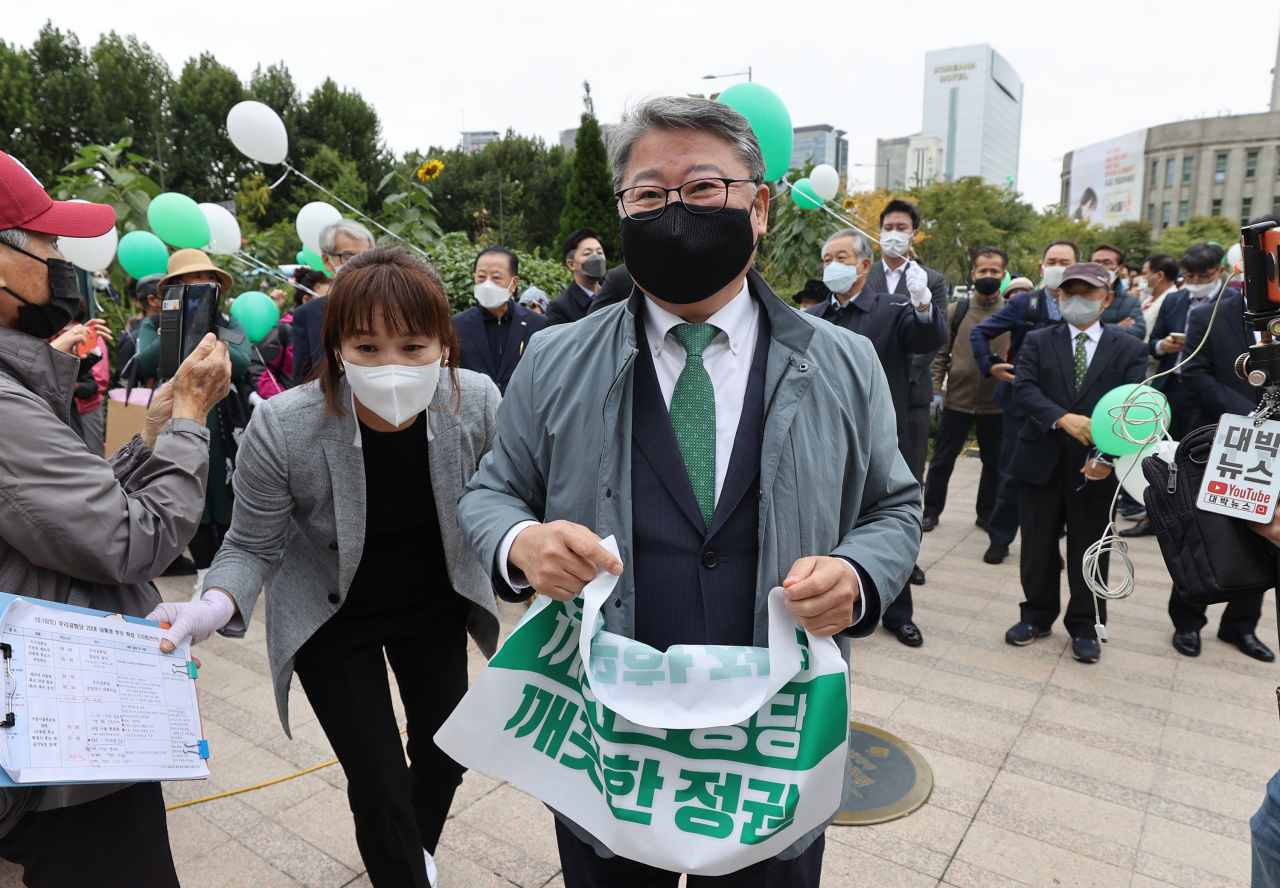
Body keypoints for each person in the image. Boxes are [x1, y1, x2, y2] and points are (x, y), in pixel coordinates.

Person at [457, 95, 921, 887]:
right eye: (648, 195)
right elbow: (489, 494)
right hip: (608, 740)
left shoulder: (843, 362)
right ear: (623, 211)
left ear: (760, 205)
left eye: (704, 189)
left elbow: (895, 505)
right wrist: (520, 543)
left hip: (773, 739)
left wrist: (860, 575)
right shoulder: (555, 358)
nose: (675, 213)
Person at [152, 246, 502, 888]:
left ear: (444, 347)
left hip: (433, 604)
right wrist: (209, 606)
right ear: (338, 347)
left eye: (414, 347)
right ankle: (402, 871)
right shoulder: (285, 426)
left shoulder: (474, 402)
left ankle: (409, 856)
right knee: (377, 780)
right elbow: (251, 542)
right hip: (332, 615)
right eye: (367, 348)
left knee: (445, 757)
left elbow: (504, 500)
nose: (391, 366)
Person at [0, 149, 232, 886]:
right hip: (63, 738)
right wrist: (193, 418)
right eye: (45, 243)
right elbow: (127, 540)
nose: (63, 261)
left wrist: (155, 431)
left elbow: (61, 506)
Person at [1002, 263, 1147, 663]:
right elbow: (1024, 389)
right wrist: (1062, 418)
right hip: (1040, 459)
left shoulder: (1130, 348)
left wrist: (1106, 456)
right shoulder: (1037, 339)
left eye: (1088, 293)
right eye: (1069, 293)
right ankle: (1036, 614)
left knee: (1091, 549)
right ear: (1057, 296)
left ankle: (1085, 623)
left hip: (1095, 467)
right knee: (1037, 545)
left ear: (1107, 299)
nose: (1077, 301)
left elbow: (1132, 411)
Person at [808, 228, 943, 646]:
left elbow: (925, 339)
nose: (834, 266)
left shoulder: (891, 308)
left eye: (843, 257)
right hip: (828, 440)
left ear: (866, 265)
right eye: (828, 258)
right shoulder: (813, 315)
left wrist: (924, 306)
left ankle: (897, 612)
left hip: (883, 438)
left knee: (885, 520)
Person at [1165, 258, 1274, 662]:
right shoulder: (1209, 314)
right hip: (1220, 437)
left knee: (1266, 535)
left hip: (1274, 448)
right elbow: (1194, 375)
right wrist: (1250, 417)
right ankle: (1188, 621)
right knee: (1205, 531)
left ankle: (1241, 626)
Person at [135, 249, 251, 592]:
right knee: (191, 495)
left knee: (226, 492)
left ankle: (229, 574)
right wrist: (176, 329)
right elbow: (145, 363)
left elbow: (243, 360)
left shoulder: (228, 323)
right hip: (179, 420)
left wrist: (212, 329)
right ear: (176, 286)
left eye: (208, 279)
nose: (202, 284)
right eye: (192, 279)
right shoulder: (154, 323)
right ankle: (202, 573)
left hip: (224, 423)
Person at [970, 239, 1078, 564]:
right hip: (1021, 403)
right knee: (1011, 474)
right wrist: (990, 364)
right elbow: (980, 333)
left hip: (1066, 407)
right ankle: (1000, 539)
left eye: (1066, 261)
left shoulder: (1086, 304)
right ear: (1043, 268)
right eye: (1052, 261)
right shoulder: (1025, 304)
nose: (1058, 266)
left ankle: (1046, 544)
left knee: (1057, 479)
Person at [924, 247, 1011, 534]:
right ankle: (931, 511)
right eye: (983, 271)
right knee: (941, 461)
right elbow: (940, 355)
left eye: (994, 271)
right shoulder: (956, 311)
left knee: (993, 463)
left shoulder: (1012, 313)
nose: (988, 276)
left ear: (1003, 274)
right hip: (957, 401)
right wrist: (936, 390)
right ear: (973, 274)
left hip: (996, 404)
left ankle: (986, 514)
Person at [453, 246, 549, 394]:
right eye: (481, 277)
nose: (487, 283)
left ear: (514, 283)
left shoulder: (538, 324)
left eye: (496, 277)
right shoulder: (457, 325)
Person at [292, 219, 375, 383]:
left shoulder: (392, 306)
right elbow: (302, 381)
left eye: (366, 256)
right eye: (348, 256)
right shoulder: (308, 314)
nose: (358, 264)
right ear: (326, 261)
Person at [249, 268, 331, 401]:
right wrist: (284, 400)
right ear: (306, 300)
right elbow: (258, 366)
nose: (331, 304)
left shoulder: (331, 330)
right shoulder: (285, 330)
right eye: (324, 300)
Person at [546, 227, 607, 324]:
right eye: (587, 253)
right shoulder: (559, 308)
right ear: (571, 264)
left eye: (599, 252)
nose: (596, 258)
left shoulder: (614, 296)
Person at [1091, 244, 1146, 339]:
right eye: (1096, 263)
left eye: (1107, 263)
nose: (1100, 267)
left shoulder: (1130, 301)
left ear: (1120, 269)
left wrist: (1102, 328)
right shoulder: (1078, 295)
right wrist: (1117, 326)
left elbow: (1139, 332)